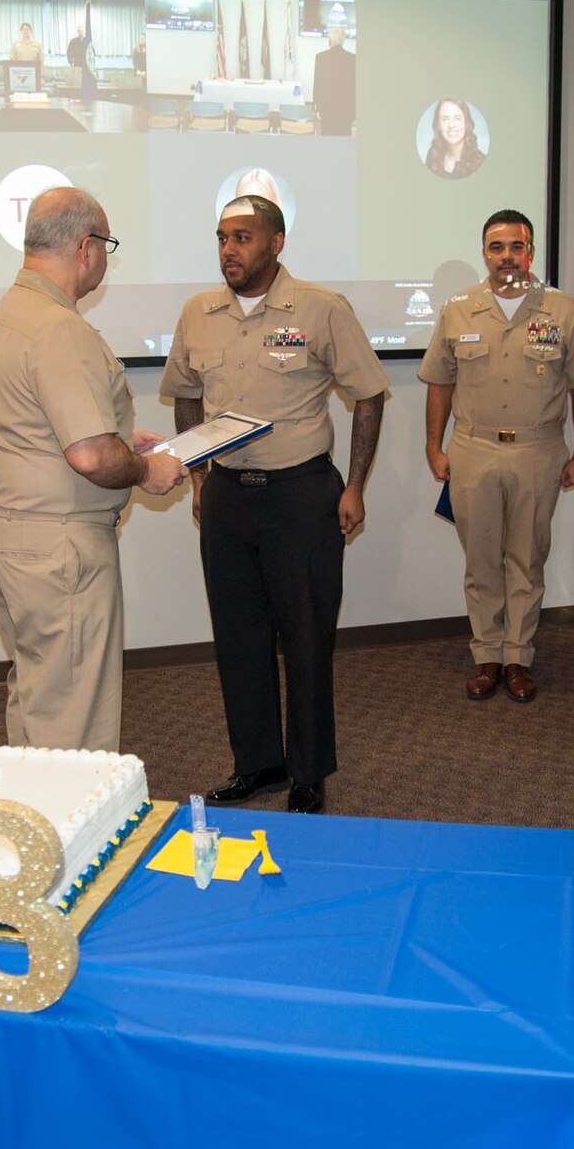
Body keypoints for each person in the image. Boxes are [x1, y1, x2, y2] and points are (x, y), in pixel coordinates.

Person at [161, 195, 388, 814]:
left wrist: (356, 485)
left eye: (242, 237)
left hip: (301, 496)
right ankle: (258, 765)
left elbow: (369, 395)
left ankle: (310, 772)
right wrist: (198, 472)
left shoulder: (320, 308)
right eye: (222, 238)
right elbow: (183, 392)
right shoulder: (198, 313)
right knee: (238, 638)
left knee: (307, 638)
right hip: (229, 499)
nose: (229, 250)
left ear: (276, 242)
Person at [0, 186, 189, 751]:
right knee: (72, 720)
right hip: (59, 549)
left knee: (38, 695)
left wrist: (119, 437)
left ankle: (30, 826)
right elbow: (90, 457)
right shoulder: (58, 328)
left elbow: (42, 429)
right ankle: (69, 836)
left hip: (9, 536)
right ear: (87, 248)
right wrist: (145, 469)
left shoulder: (7, 315)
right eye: (108, 247)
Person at [420, 210, 574, 703]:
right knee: (481, 561)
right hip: (473, 449)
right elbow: (440, 381)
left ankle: (518, 657)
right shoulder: (459, 309)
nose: (507, 256)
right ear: (484, 253)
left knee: (527, 559)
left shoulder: (563, 311)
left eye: (516, 247)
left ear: (531, 253)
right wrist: (433, 447)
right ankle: (487, 657)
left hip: (539, 451)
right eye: (497, 247)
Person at [425, 99, 485, 179]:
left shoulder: (480, 162)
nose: (451, 125)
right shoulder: (432, 155)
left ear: (466, 123)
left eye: (457, 118)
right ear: (438, 125)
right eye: (445, 119)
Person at [311, 26, 354, 136]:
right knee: (344, 143)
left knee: (328, 142)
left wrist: (316, 107)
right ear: (343, 41)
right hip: (346, 111)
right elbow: (355, 87)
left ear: (330, 41)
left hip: (327, 111)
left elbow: (318, 84)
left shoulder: (321, 58)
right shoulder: (353, 59)